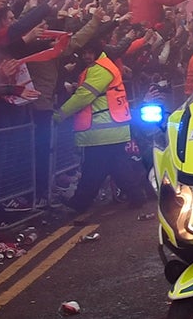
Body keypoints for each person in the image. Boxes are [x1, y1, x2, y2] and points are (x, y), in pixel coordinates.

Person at [56, 36, 139, 210]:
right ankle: (137, 196)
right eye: (84, 53)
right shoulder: (103, 66)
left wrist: (60, 114)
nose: (86, 56)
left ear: (97, 51)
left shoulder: (100, 68)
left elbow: (84, 96)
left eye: (90, 52)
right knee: (116, 166)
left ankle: (80, 203)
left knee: (93, 169)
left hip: (102, 129)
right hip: (112, 127)